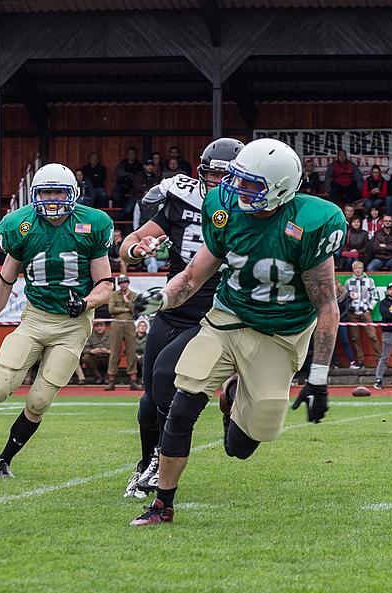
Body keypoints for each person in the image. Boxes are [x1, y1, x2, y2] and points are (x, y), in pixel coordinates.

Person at [131, 138, 345, 526]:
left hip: (281, 335)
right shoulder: (223, 208)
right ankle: (163, 503)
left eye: (249, 184)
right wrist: (154, 301)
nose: (234, 189)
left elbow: (327, 306)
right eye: (236, 179)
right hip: (227, 319)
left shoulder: (312, 222)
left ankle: (233, 398)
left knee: (242, 446)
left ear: (279, 188)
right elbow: (193, 276)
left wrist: (318, 378)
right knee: (183, 404)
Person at [118, 138, 244, 499]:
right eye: (212, 174)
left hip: (210, 313)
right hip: (171, 307)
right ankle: (145, 466)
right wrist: (137, 249)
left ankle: (161, 461)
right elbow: (132, 243)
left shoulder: (247, 212)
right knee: (148, 400)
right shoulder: (181, 198)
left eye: (226, 177)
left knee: (163, 379)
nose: (217, 183)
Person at [0, 162, 114, 478]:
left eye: (57, 192)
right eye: (45, 192)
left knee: (38, 401)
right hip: (35, 319)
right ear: (35, 195)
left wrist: (87, 302)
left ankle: (4, 460)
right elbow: (5, 280)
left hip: (72, 325)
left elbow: (105, 284)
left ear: (72, 194)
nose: (51, 199)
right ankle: (17, 375)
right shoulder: (21, 226)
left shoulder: (93, 224)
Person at [105, 274, 140, 391]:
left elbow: (136, 309)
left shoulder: (134, 295)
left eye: (124, 282)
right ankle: (111, 380)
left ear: (128, 283)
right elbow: (111, 310)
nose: (123, 284)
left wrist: (126, 301)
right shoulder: (114, 295)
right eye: (120, 283)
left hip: (129, 323)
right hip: (117, 323)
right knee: (114, 352)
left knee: (131, 352)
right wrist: (125, 309)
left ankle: (133, 380)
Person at [344, 261, 382, 369]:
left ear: (363, 268)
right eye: (355, 268)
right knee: (355, 338)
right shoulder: (348, 282)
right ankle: (360, 361)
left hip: (365, 312)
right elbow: (345, 298)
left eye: (359, 267)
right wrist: (349, 298)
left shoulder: (369, 281)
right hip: (352, 313)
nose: (358, 270)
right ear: (353, 269)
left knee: (373, 336)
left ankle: (379, 360)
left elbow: (374, 297)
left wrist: (368, 308)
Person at [333, 280, 355, 369]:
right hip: (331, 323)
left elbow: (346, 309)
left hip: (341, 321)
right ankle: (335, 362)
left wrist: (339, 318)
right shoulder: (328, 297)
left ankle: (352, 361)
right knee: (331, 344)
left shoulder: (344, 296)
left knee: (345, 341)